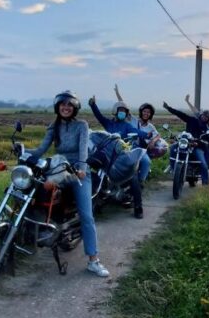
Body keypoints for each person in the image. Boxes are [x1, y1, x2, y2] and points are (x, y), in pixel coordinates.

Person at [29, 91, 110, 277]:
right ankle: (39, 231)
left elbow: (83, 150)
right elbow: (41, 149)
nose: (66, 108)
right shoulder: (54, 126)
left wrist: (81, 168)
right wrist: (23, 151)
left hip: (78, 172)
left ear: (74, 109)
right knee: (34, 192)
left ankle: (93, 260)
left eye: (70, 105)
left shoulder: (82, 125)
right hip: (58, 168)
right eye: (62, 105)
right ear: (57, 107)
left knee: (86, 215)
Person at [88, 95, 151, 218]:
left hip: (122, 154)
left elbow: (136, 132)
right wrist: (93, 105)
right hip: (108, 153)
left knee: (132, 177)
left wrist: (146, 134)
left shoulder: (127, 125)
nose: (122, 113)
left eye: (124, 111)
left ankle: (138, 207)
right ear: (115, 111)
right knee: (96, 170)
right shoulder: (108, 123)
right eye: (120, 111)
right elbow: (99, 116)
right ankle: (96, 200)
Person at [162, 101, 209, 186]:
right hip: (185, 144)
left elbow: (208, 139)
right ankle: (173, 168)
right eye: (204, 115)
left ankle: (206, 185)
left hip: (197, 147)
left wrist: (199, 142)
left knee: (203, 164)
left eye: (207, 117)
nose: (205, 117)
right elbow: (180, 114)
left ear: (208, 119)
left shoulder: (206, 128)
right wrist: (168, 108)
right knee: (173, 148)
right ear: (201, 115)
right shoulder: (192, 120)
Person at [114, 84, 168, 159]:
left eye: (148, 112)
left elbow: (158, 135)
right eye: (144, 111)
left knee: (146, 163)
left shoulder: (150, 127)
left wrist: (153, 141)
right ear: (141, 112)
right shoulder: (133, 120)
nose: (146, 113)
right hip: (127, 148)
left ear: (151, 114)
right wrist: (117, 93)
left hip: (140, 152)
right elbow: (124, 106)